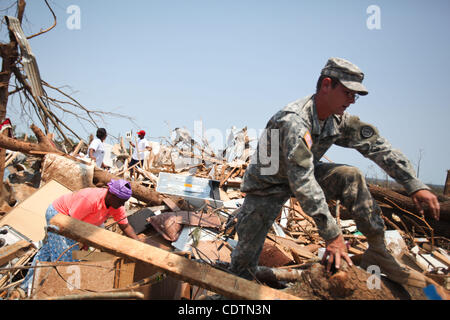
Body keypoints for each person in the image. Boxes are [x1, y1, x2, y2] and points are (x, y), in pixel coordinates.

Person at [229, 57, 440, 288]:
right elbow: (302, 181)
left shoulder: (338, 119)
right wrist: (332, 235)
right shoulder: (294, 121)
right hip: (267, 186)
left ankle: (378, 250)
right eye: (348, 93)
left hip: (303, 174)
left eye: (355, 96)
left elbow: (378, 146)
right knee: (242, 271)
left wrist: (414, 184)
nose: (352, 101)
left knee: (350, 175)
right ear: (327, 85)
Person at [20, 179, 141, 292]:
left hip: (79, 224)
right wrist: (83, 242)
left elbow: (125, 226)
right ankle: (63, 291)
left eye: (124, 202)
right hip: (60, 216)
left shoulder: (116, 205)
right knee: (66, 259)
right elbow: (73, 225)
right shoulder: (91, 199)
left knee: (47, 253)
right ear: (111, 194)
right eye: (120, 201)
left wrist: (140, 246)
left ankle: (25, 288)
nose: (121, 205)